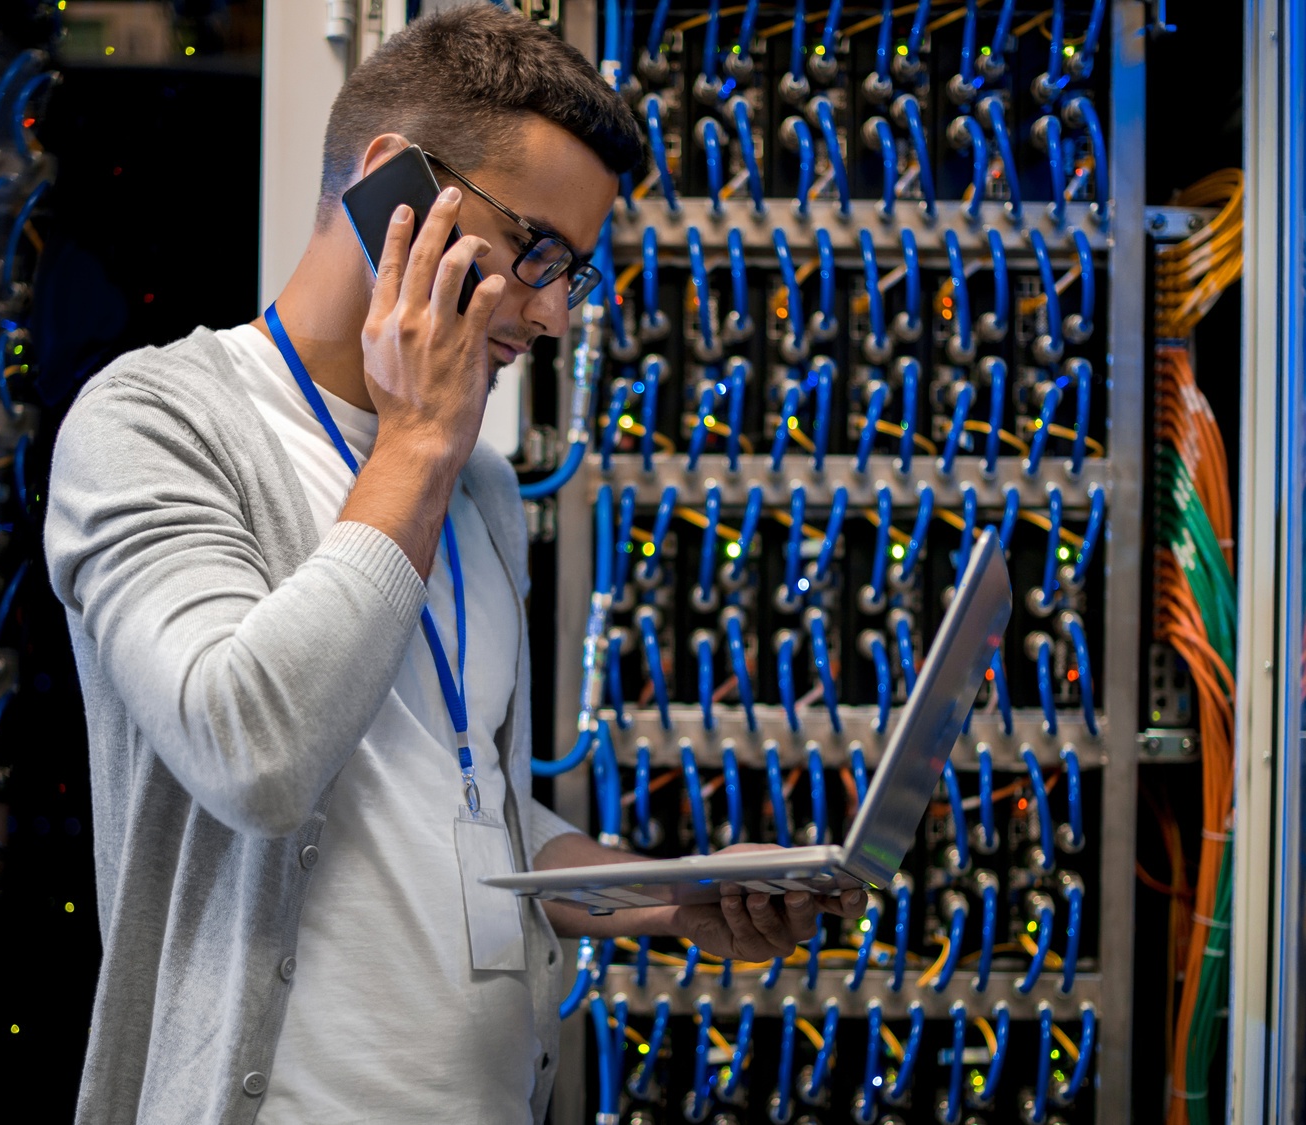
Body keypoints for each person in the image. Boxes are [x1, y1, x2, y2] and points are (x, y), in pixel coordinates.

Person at [44, 7, 865, 1122]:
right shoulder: (155, 423)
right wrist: (417, 438)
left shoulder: (473, 483)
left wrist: (661, 894)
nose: (552, 313)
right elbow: (253, 755)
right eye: (533, 250)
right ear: (391, 184)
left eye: (572, 270)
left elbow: (455, 800)